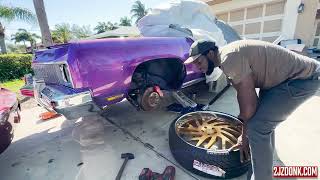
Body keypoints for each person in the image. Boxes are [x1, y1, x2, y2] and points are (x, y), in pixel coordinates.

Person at [184, 39, 320, 180]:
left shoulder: (229, 58)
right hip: (278, 82)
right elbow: (245, 96)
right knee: (262, 124)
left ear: (210, 53)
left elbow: (249, 107)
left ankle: (262, 176)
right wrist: (245, 132)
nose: (197, 67)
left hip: (301, 79)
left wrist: (244, 137)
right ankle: (263, 167)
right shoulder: (227, 57)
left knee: (257, 128)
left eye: (199, 62)